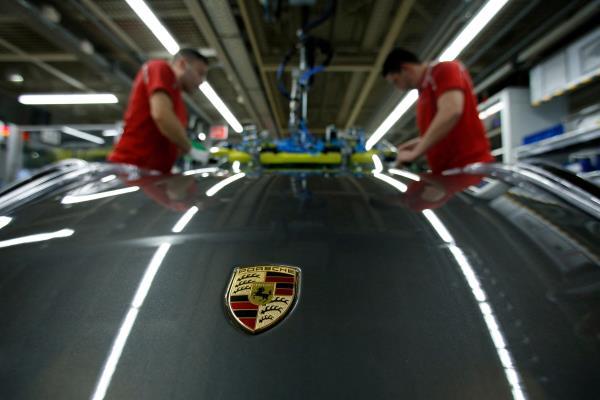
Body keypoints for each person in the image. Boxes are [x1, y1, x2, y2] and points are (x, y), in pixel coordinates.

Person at [381, 48, 493, 174]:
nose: (398, 87)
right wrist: (419, 142)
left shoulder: (445, 69)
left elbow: (451, 111)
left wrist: (416, 152)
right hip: (448, 171)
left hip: (468, 167)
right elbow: (448, 131)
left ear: (406, 68)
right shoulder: (424, 91)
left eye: (396, 81)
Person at [108, 48, 209, 174]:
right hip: (132, 168)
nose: (201, 81)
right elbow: (161, 115)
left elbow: (172, 141)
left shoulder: (179, 104)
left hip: (153, 174)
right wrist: (190, 149)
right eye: (200, 73)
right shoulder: (160, 68)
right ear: (182, 64)